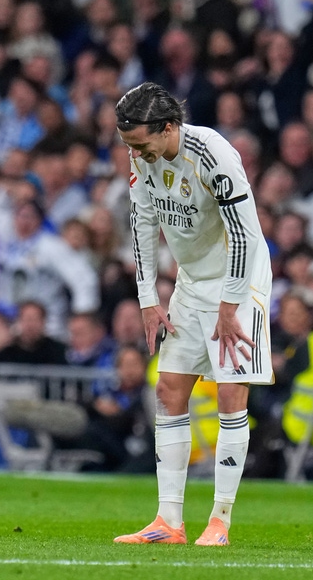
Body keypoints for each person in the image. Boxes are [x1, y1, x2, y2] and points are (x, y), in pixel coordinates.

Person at [114, 82, 272, 547]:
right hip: (191, 279)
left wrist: (229, 307)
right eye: (128, 144)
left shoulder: (215, 155)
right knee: (168, 388)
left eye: (140, 142)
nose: (135, 152)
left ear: (168, 128)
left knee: (229, 394)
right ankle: (168, 522)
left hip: (239, 282)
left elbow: (243, 236)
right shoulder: (142, 154)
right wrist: (147, 299)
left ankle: (219, 521)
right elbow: (141, 220)